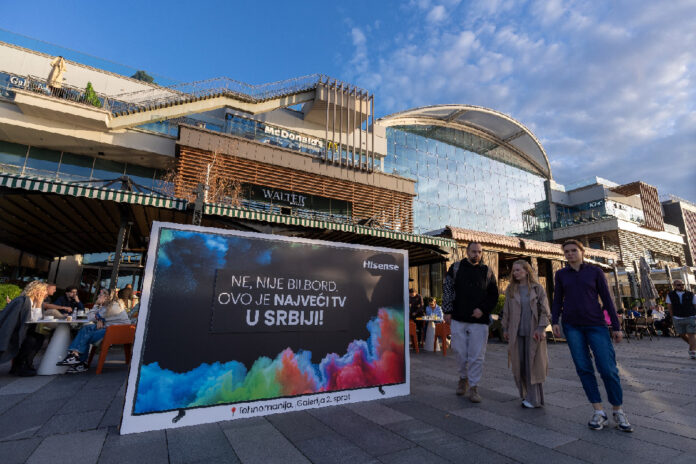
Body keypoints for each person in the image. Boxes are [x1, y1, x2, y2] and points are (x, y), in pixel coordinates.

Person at [551, 239, 633, 432]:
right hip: (572, 325)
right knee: (583, 368)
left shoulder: (595, 271)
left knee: (608, 369)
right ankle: (598, 411)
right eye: (567, 251)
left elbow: (607, 299)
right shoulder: (561, 274)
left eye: (573, 250)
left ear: (582, 252)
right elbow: (557, 299)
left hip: (596, 324)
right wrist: (554, 321)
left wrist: (616, 326)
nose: (570, 254)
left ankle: (618, 410)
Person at [443, 242, 499, 403]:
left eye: (479, 252)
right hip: (458, 317)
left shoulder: (487, 271)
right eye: (473, 251)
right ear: (467, 252)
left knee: (477, 355)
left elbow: (493, 295)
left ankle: (474, 387)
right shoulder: (456, 268)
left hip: (479, 320)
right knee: (459, 352)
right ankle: (463, 378)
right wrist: (447, 310)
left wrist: (483, 309)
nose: (476, 254)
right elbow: (447, 289)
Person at [501, 260, 551, 408]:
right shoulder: (511, 289)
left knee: (533, 366)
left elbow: (545, 310)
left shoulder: (537, 288)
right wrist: (505, 329)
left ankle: (534, 399)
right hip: (516, 333)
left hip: (534, 332)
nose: (515, 273)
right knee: (519, 366)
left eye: (518, 270)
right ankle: (526, 395)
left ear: (527, 271)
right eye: (513, 270)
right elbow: (506, 310)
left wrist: (541, 328)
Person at [56, 287, 131, 374]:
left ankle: (77, 358)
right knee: (86, 328)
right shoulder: (107, 306)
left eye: (100, 294)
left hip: (118, 332)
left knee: (87, 335)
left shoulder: (114, 307)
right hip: (110, 328)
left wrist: (96, 305)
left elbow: (90, 317)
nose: (98, 296)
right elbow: (94, 317)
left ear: (107, 297)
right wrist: (100, 319)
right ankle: (76, 357)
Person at [0, 281, 48, 376]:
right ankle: (19, 366)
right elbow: (11, 321)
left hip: (24, 331)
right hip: (13, 331)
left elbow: (36, 321)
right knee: (31, 340)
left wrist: (39, 304)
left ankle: (27, 364)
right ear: (36, 291)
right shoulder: (21, 301)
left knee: (40, 337)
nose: (46, 293)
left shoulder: (37, 302)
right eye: (44, 290)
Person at [665, 280, 696, 359]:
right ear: (674, 286)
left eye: (682, 284)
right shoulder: (670, 295)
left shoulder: (690, 294)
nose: (681, 286)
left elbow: (695, 305)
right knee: (682, 334)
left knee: (691, 333)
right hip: (677, 317)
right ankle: (693, 345)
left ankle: (693, 351)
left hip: (690, 316)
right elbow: (669, 306)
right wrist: (672, 317)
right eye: (679, 285)